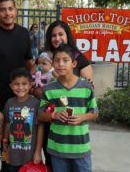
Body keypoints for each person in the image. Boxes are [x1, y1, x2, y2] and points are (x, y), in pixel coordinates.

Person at [38, 44, 98, 172]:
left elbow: (94, 112)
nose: (60, 64)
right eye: (57, 60)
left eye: (65, 60)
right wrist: (53, 115)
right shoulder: (49, 89)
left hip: (81, 149)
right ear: (52, 64)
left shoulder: (86, 87)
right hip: (57, 149)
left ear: (74, 63)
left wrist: (83, 117)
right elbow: (40, 115)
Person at [3, 68, 43, 172]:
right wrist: (5, 142)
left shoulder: (36, 103)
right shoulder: (9, 103)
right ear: (11, 86)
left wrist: (38, 151)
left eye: (24, 84)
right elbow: (7, 123)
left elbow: (40, 128)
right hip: (13, 155)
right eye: (16, 84)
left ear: (30, 85)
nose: (20, 87)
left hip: (30, 156)